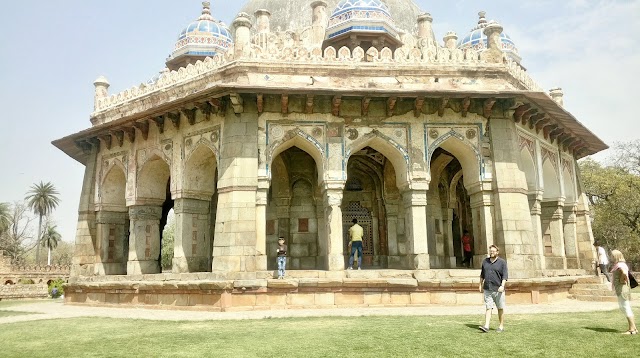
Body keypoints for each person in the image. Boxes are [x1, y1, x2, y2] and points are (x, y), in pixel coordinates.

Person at [478, 244, 508, 333]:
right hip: (488, 288)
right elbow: (482, 274)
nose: (492, 253)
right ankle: (486, 326)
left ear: (497, 252)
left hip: (498, 289)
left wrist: (502, 286)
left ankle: (501, 326)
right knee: (488, 307)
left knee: (500, 308)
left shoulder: (502, 262)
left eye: (493, 251)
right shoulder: (485, 262)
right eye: (490, 251)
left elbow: (505, 275)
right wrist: (480, 284)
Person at [609, 249, 637, 334]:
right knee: (624, 307)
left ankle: (632, 329)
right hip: (621, 289)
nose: (610, 257)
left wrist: (621, 280)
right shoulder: (619, 265)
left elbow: (624, 273)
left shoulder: (620, 265)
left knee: (626, 307)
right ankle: (634, 328)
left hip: (622, 289)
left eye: (612, 256)